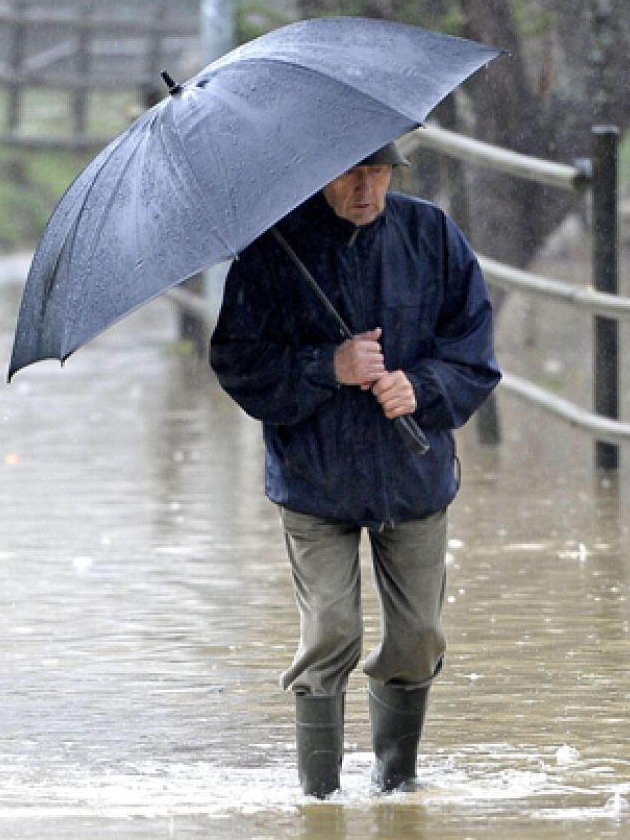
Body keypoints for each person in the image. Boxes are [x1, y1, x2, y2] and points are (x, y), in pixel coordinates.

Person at [209, 141, 501, 798]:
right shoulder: (272, 249)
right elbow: (236, 361)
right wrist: (327, 367)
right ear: (320, 173)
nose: (365, 188)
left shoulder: (432, 235)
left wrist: (421, 387)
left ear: (394, 171)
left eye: (377, 172)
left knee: (419, 636)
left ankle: (396, 785)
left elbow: (475, 352)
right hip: (315, 482)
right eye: (349, 173)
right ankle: (320, 798)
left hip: (413, 475)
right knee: (331, 631)